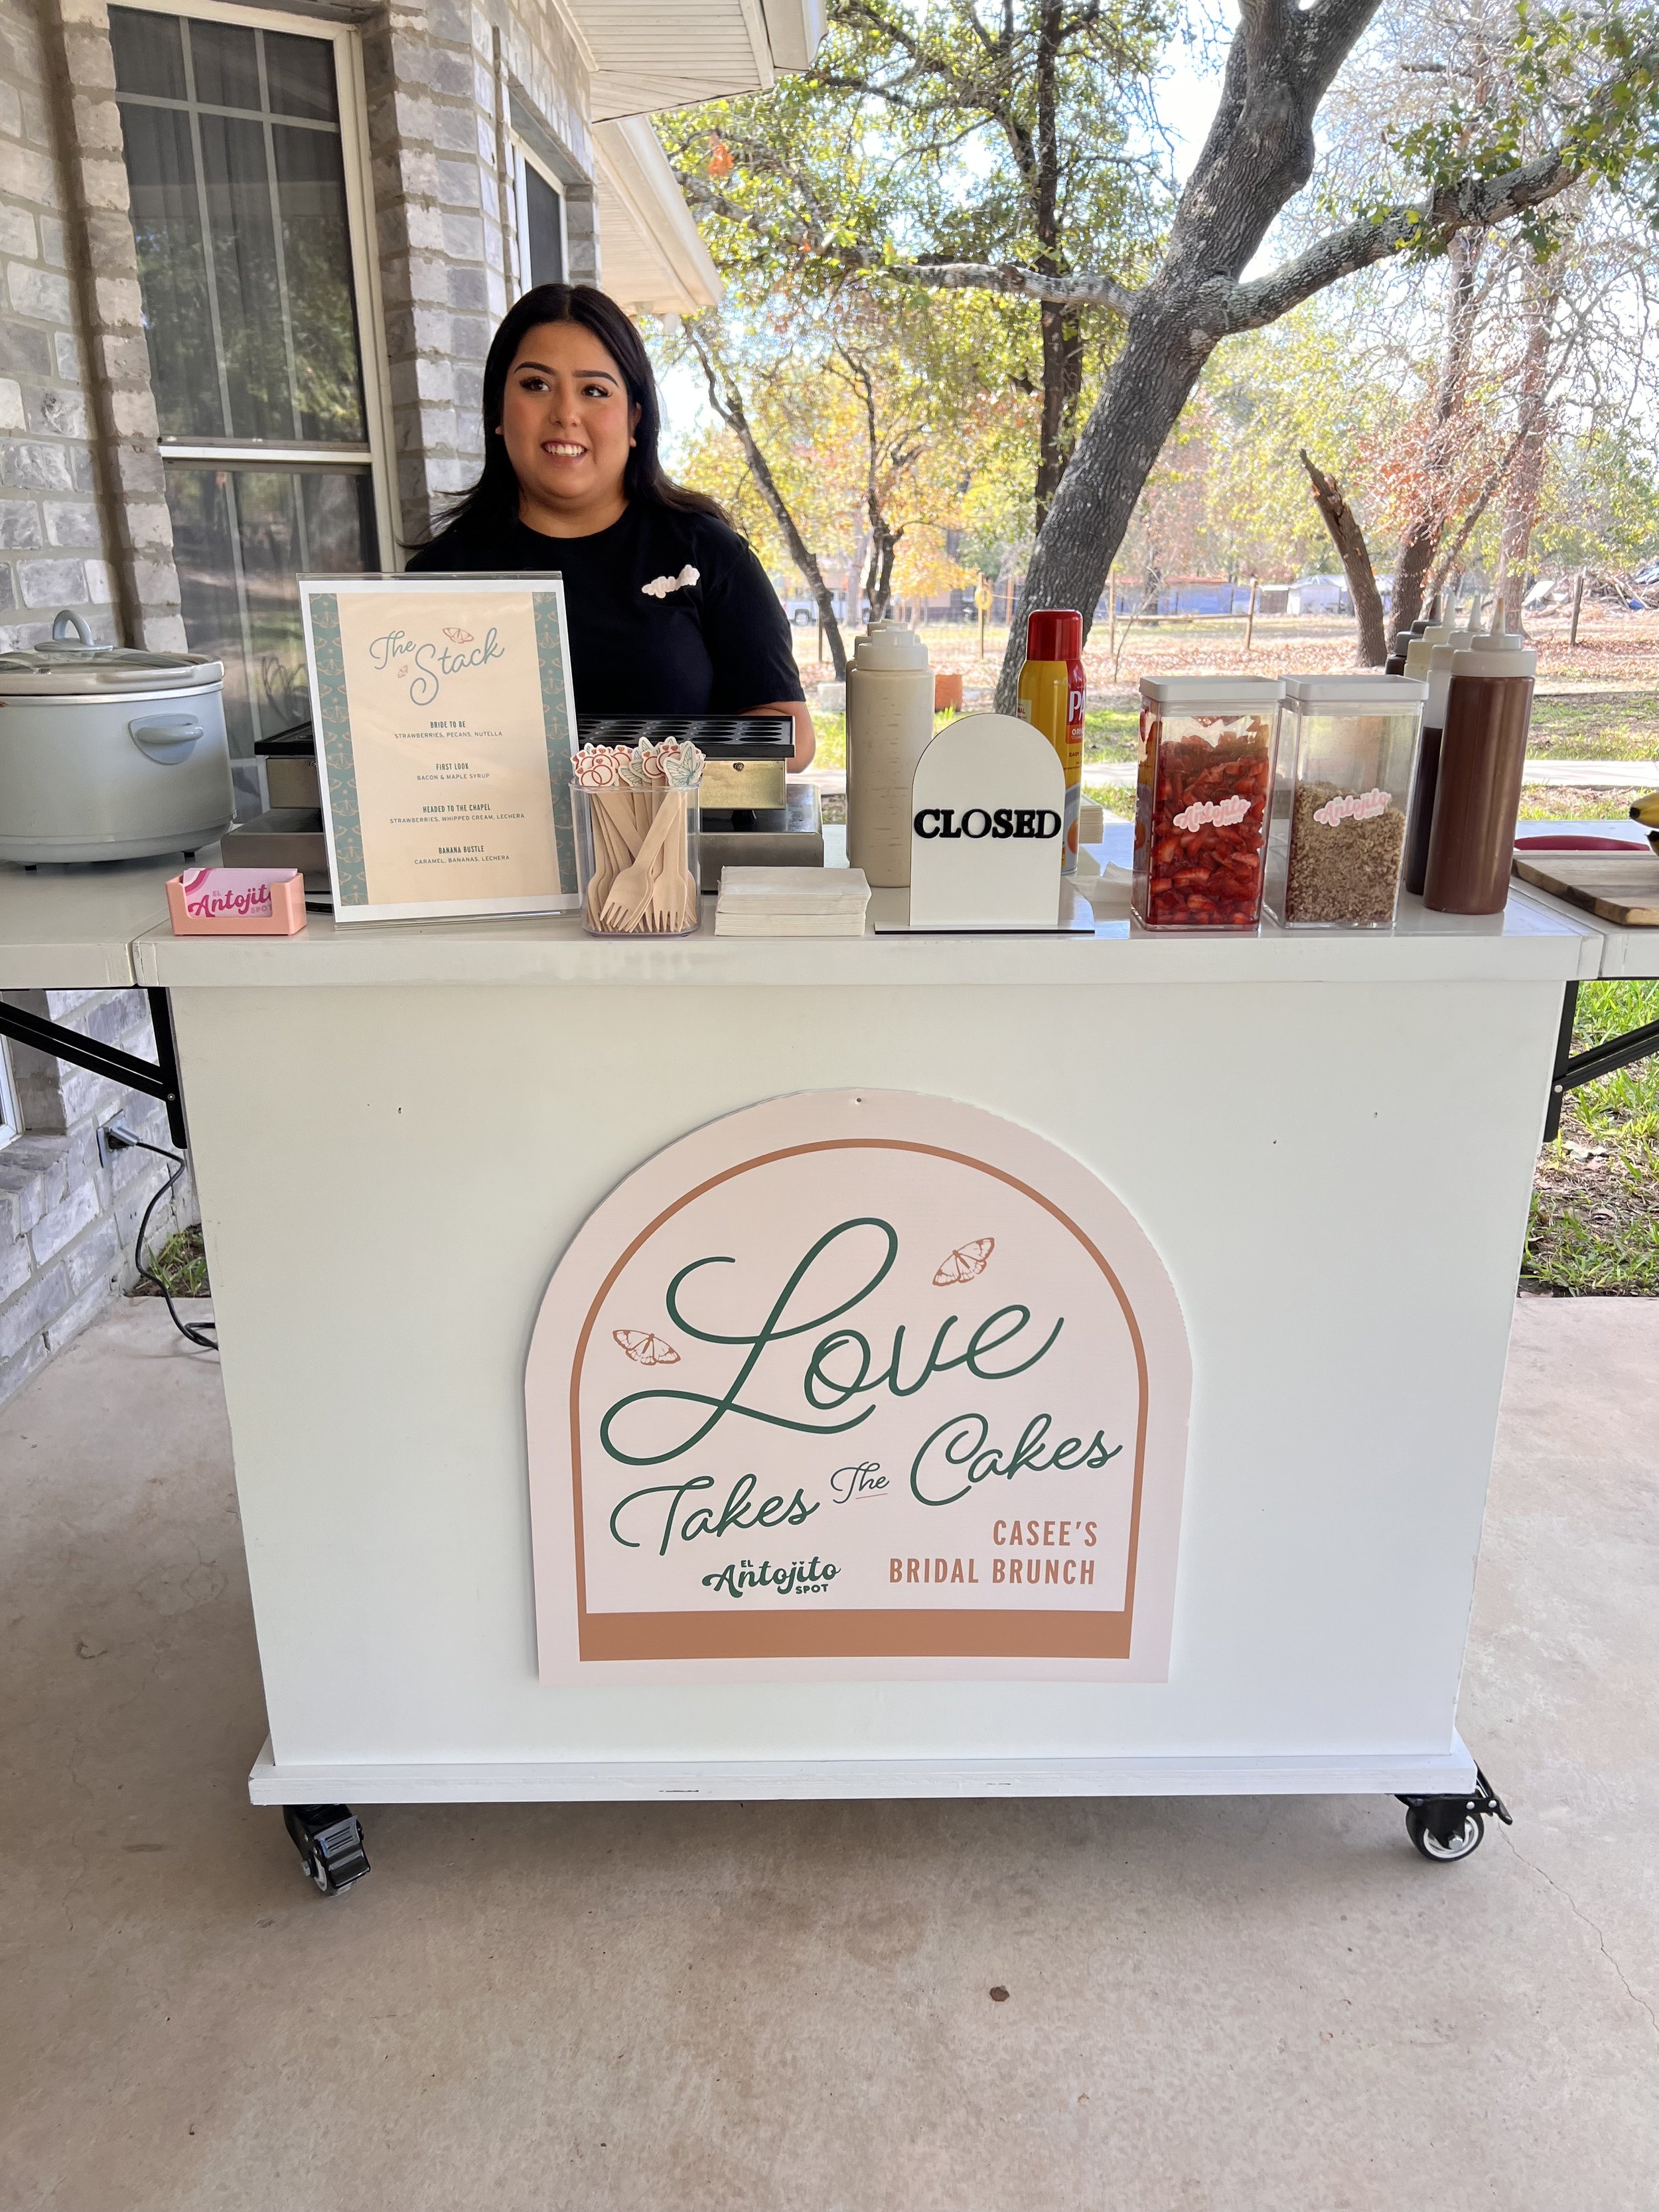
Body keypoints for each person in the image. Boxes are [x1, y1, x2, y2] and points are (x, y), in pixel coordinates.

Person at [409, 283, 814, 769]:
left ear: (634, 420)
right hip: (488, 845)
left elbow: (791, 737)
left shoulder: (705, 552)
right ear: (497, 409)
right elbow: (399, 747)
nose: (565, 414)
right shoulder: (439, 576)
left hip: (671, 841)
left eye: (594, 391)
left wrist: (621, 775)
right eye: (536, 385)